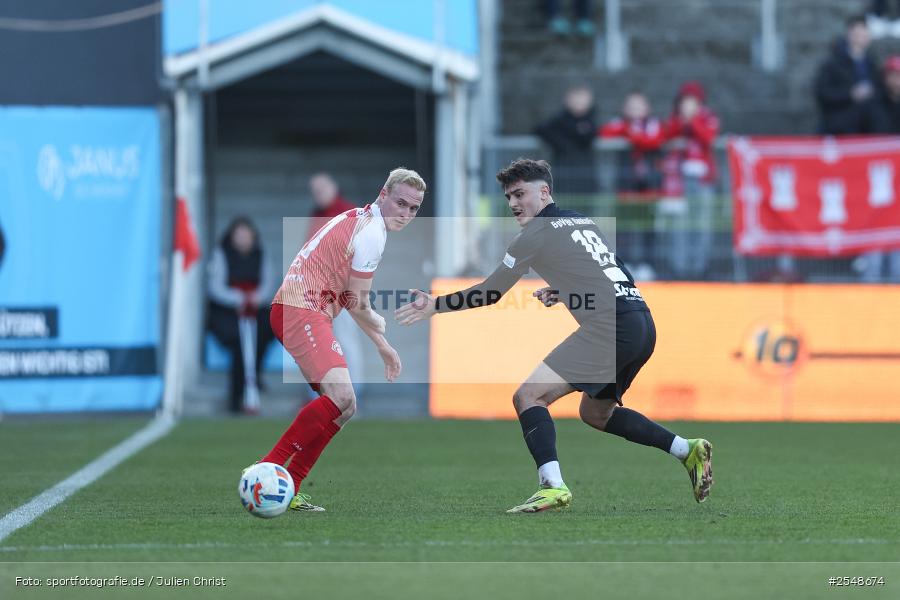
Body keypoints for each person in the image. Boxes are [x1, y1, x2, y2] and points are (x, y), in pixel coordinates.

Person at [395, 159, 712, 513]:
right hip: (641, 322)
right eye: (509, 197)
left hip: (610, 327)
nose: (514, 203)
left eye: (520, 194)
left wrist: (436, 305)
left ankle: (552, 486)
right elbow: (615, 271)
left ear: (544, 192)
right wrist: (566, 291)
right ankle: (687, 450)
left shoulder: (534, 235)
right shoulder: (581, 221)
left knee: (528, 396)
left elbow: (492, 291)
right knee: (596, 413)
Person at [254, 168, 426, 512]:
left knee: (345, 407)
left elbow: (348, 298)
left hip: (302, 309)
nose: (405, 213)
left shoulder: (361, 220)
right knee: (342, 396)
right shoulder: (372, 232)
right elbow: (359, 303)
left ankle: (292, 487)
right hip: (300, 309)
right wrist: (378, 325)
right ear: (383, 194)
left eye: (413, 208)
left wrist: (382, 345)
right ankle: (267, 468)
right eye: (400, 203)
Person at [207, 217, 276, 414]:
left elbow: (269, 284)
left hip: (256, 308)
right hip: (227, 311)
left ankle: (254, 376)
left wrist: (255, 298)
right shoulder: (221, 254)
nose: (243, 238)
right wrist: (238, 298)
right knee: (239, 341)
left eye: (247, 234)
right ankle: (236, 396)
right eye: (239, 234)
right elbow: (215, 287)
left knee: (268, 329)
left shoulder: (261, 255)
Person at [305, 173, 364, 400]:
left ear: (333, 187)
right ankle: (323, 397)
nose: (318, 195)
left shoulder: (348, 213)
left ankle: (352, 396)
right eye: (314, 191)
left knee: (346, 342)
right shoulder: (317, 214)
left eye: (321, 189)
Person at [657, 81, 720, 280]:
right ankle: (680, 268)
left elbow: (708, 137)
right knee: (679, 225)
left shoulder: (708, 118)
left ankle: (700, 268)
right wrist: (681, 122)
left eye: (693, 102)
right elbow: (665, 135)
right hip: (678, 181)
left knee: (702, 224)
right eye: (685, 102)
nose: (688, 106)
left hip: (702, 180)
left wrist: (692, 120)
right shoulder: (674, 120)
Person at [599, 92, 665, 278]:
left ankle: (647, 264)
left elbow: (654, 140)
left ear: (647, 108)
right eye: (631, 106)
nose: (635, 109)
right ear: (624, 108)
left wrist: (632, 136)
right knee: (624, 226)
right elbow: (605, 133)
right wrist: (631, 132)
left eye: (639, 105)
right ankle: (624, 263)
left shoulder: (654, 125)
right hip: (626, 184)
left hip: (649, 185)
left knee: (648, 226)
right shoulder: (620, 124)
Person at [814, 16, 883, 135]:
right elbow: (822, 93)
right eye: (858, 33)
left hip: (867, 128)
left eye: (865, 33)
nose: (861, 37)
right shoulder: (832, 63)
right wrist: (851, 94)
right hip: (839, 128)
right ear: (849, 34)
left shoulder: (872, 63)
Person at [534, 85, 597, 195]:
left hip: (585, 170)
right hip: (563, 169)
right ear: (568, 100)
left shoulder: (592, 119)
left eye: (582, 100)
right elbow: (540, 129)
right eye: (576, 100)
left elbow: (589, 136)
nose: (579, 103)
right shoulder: (560, 119)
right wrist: (561, 144)